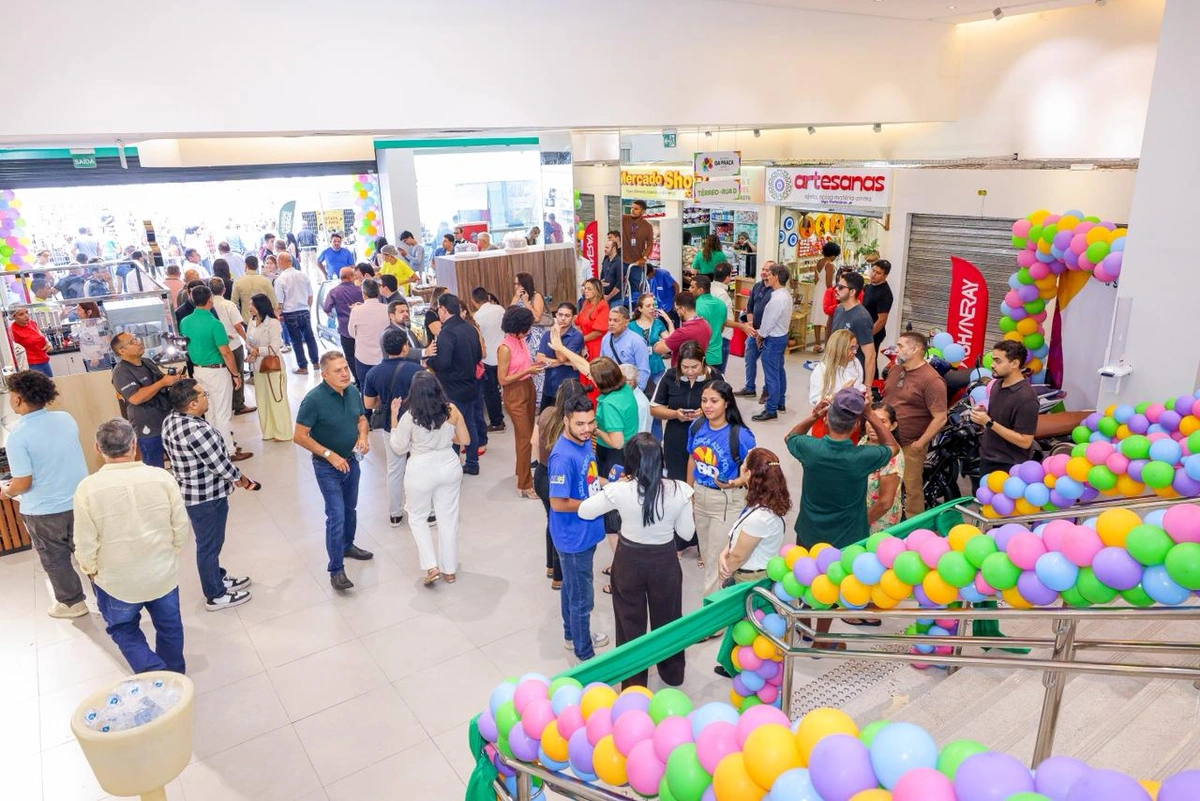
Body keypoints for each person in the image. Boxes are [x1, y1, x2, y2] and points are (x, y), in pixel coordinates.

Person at [74, 419, 189, 673]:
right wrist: (172, 552)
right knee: (170, 627)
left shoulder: (87, 489)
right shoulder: (162, 478)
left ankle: (154, 676)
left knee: (124, 629)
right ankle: (175, 678)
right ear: (134, 444)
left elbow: (84, 540)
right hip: (162, 573)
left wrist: (89, 569)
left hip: (115, 580)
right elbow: (181, 525)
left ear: (97, 448)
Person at [579, 433, 693, 688]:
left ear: (629, 461)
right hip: (664, 561)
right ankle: (672, 673)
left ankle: (634, 683)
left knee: (629, 622)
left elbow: (585, 511)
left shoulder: (620, 490)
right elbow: (686, 533)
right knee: (669, 618)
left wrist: (614, 486)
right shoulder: (679, 490)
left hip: (629, 559)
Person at [161, 379, 256, 611]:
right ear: (192, 404)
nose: (207, 397)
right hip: (207, 497)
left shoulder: (171, 420)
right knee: (209, 546)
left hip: (190, 491)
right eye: (203, 395)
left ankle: (217, 577)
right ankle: (215, 595)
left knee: (209, 543)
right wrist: (243, 479)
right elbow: (221, 466)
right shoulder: (198, 431)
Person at [2, 371, 90, 618]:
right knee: (88, 551)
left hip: (44, 511)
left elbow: (23, 482)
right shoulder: (65, 419)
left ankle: (72, 604)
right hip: (79, 500)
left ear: (17, 399)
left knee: (55, 558)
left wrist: (7, 491)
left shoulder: (17, 437)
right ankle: (109, 597)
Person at [293, 351, 373, 592]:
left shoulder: (352, 392)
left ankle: (347, 545)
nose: (345, 373)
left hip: (352, 461)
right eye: (338, 370)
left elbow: (361, 418)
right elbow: (299, 436)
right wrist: (329, 455)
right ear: (325, 375)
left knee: (350, 508)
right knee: (336, 514)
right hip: (327, 467)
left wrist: (363, 436)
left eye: (346, 368)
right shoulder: (313, 400)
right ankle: (336, 570)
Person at [389, 371, 469, 586]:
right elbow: (465, 439)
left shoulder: (409, 417)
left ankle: (431, 566)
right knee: (448, 518)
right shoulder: (451, 410)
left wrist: (394, 416)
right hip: (449, 466)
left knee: (417, 517)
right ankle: (449, 570)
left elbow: (399, 447)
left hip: (421, 469)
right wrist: (445, 436)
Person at [548, 394, 610, 660]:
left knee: (571, 589)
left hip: (586, 532)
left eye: (591, 422)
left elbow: (589, 478)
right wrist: (594, 502)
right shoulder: (562, 457)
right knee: (582, 598)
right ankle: (585, 654)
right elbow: (558, 503)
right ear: (566, 421)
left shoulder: (583, 443)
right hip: (573, 539)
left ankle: (572, 635)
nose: (587, 429)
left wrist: (610, 483)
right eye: (580, 424)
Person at [687, 381, 756, 596]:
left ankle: (710, 610)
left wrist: (735, 483)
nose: (707, 406)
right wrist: (689, 491)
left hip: (727, 501)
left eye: (714, 401)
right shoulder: (697, 426)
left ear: (727, 403)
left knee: (718, 560)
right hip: (700, 495)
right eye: (704, 400)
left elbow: (754, 472)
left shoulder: (741, 436)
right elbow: (692, 458)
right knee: (707, 554)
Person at [883, 331, 948, 519]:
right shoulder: (895, 369)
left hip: (909, 444)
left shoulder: (932, 380)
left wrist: (919, 445)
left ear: (916, 349)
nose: (896, 349)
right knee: (882, 485)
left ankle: (914, 528)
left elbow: (940, 417)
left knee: (911, 490)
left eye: (901, 346)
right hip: (885, 441)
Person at [181, 284, 249, 459]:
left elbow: (195, 341)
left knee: (209, 411)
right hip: (216, 372)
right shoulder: (214, 323)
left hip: (198, 371)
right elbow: (226, 352)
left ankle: (215, 448)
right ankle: (229, 451)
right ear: (210, 299)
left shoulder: (185, 321)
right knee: (223, 413)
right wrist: (236, 374)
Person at [363, 329, 422, 526]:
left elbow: (368, 404)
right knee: (420, 466)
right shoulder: (416, 370)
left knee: (395, 469)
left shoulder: (373, 373)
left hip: (391, 425)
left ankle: (395, 513)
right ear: (405, 347)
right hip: (417, 424)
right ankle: (427, 511)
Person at [533, 380, 583, 590]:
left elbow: (534, 444)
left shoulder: (546, 413)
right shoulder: (573, 425)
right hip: (561, 480)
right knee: (562, 525)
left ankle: (551, 567)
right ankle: (559, 577)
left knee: (551, 520)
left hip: (542, 474)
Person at [429, 293, 484, 475]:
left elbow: (443, 363)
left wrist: (429, 361)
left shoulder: (446, 332)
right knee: (469, 423)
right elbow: (478, 355)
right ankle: (473, 463)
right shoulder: (469, 328)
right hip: (470, 383)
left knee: (450, 427)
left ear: (443, 310)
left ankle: (452, 465)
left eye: (439, 309)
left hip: (451, 387)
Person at [651, 341, 723, 480]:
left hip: (707, 439)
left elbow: (728, 408)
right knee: (677, 479)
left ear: (703, 361)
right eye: (685, 367)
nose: (690, 372)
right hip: (676, 438)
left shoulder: (716, 377)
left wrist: (705, 413)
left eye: (694, 367)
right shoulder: (670, 376)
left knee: (704, 480)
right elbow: (654, 408)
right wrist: (674, 414)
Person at [717, 447, 789, 585]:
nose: (741, 467)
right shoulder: (769, 502)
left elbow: (738, 557)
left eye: (743, 464)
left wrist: (725, 572)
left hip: (748, 580)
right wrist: (724, 553)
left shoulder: (759, 518)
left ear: (748, 474)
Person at [969, 340, 1040, 479]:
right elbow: (1000, 418)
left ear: (1015, 363)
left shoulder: (1026, 398)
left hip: (1008, 465)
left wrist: (989, 422)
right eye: (993, 360)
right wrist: (984, 414)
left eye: (998, 361)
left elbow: (1025, 441)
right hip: (987, 458)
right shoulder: (997, 384)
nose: (992, 365)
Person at [497, 306, 546, 499]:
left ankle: (521, 471)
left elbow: (521, 367)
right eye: (527, 327)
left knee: (524, 436)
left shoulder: (521, 341)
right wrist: (528, 371)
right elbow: (503, 379)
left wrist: (533, 367)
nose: (529, 330)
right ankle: (525, 485)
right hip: (515, 393)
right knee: (526, 438)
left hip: (528, 387)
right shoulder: (505, 348)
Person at [111, 332, 179, 468]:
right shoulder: (121, 372)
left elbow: (161, 383)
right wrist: (162, 383)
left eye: (137, 339)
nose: (139, 342)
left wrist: (172, 380)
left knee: (178, 462)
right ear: (121, 351)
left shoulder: (147, 362)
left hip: (167, 420)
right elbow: (135, 398)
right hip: (148, 427)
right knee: (153, 467)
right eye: (132, 342)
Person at [745, 263, 792, 421]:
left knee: (771, 376)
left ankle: (771, 409)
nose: (767, 276)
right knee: (779, 371)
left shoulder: (777, 299)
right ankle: (780, 402)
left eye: (770, 274)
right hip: (782, 336)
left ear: (776, 277)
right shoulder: (785, 295)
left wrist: (760, 335)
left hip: (773, 339)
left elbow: (769, 322)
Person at [245, 293, 293, 442]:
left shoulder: (273, 323)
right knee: (262, 400)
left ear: (260, 306)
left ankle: (283, 432)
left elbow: (275, 347)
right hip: (258, 367)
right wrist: (251, 352)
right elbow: (248, 342)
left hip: (273, 367)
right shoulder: (251, 322)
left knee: (276, 399)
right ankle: (268, 431)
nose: (249, 307)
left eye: (252, 304)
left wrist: (257, 351)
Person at [209, 278, 254, 417]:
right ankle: (239, 404)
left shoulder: (209, 305)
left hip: (216, 346)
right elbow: (237, 326)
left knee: (225, 376)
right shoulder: (228, 305)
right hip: (233, 345)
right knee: (237, 373)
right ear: (224, 289)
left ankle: (226, 404)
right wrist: (246, 340)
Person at [274, 252, 321, 374]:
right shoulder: (303, 275)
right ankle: (316, 363)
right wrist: (308, 308)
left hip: (290, 313)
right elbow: (310, 296)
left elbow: (280, 302)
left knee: (296, 341)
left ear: (280, 262)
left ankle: (303, 366)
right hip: (304, 311)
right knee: (310, 338)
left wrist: (278, 315)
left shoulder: (280, 279)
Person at [830, 271, 878, 386]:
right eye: (837, 285)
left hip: (852, 375)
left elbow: (870, 356)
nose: (836, 289)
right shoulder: (839, 309)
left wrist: (867, 387)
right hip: (835, 371)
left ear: (852, 292)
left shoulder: (861, 318)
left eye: (841, 287)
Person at [863, 402, 905, 533]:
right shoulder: (864, 441)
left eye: (882, 422)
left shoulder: (893, 456)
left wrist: (860, 523)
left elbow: (885, 503)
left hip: (877, 522)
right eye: (870, 420)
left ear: (893, 426)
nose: (873, 426)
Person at [470, 287, 507, 431]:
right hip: (503, 354)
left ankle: (497, 422)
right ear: (487, 297)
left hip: (487, 359)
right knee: (506, 386)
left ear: (474, 301)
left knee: (491, 393)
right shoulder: (500, 309)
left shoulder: (477, 317)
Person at [809, 329, 865, 411]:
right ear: (839, 349)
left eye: (856, 347)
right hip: (832, 414)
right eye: (851, 348)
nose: (855, 352)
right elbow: (815, 402)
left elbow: (860, 385)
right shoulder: (822, 369)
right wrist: (840, 393)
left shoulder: (855, 362)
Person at [347, 278, 390, 383]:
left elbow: (352, 333)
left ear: (363, 294)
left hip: (364, 356)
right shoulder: (388, 309)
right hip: (384, 356)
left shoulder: (356, 311)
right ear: (378, 292)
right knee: (385, 387)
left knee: (365, 386)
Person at [512, 272, 548, 396]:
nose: (516, 286)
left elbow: (537, 317)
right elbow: (509, 314)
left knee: (537, 367)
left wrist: (526, 303)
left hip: (535, 337)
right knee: (525, 367)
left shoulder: (536, 296)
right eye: (515, 284)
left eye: (518, 284)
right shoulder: (516, 296)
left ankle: (539, 398)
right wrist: (516, 298)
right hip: (522, 337)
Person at [654, 292, 711, 369]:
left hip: (682, 371)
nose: (677, 313)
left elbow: (658, 349)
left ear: (683, 309)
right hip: (699, 367)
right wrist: (669, 322)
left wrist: (659, 341)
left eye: (677, 309)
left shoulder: (684, 332)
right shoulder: (706, 324)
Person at [322, 267, 363, 374]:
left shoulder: (334, 292)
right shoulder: (360, 290)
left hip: (345, 329)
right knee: (364, 355)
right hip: (362, 328)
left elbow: (326, 308)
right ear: (351, 276)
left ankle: (357, 379)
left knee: (350, 356)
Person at [630, 293, 672, 395]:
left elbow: (671, 342)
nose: (652, 308)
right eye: (648, 306)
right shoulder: (631, 326)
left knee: (657, 395)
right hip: (638, 368)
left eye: (653, 305)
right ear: (640, 308)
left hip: (656, 367)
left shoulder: (658, 323)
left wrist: (669, 321)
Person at [862, 259, 894, 376]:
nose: (873, 274)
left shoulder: (884, 294)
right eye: (873, 271)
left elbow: (881, 320)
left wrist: (868, 335)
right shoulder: (870, 286)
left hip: (874, 333)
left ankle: (872, 384)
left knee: (870, 360)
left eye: (878, 273)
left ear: (885, 276)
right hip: (864, 329)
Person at [383, 296, 435, 364]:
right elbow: (403, 350)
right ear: (392, 316)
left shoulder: (409, 331)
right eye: (401, 312)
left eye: (407, 311)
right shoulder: (389, 333)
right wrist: (425, 352)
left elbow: (419, 347)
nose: (406, 314)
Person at [692, 275, 728, 370]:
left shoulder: (694, 306)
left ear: (700, 290)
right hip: (716, 354)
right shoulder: (721, 304)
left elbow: (693, 333)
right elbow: (722, 328)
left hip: (699, 356)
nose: (689, 289)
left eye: (692, 287)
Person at [810, 242, 840, 353]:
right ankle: (828, 344)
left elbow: (816, 279)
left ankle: (817, 344)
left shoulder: (819, 262)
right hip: (826, 292)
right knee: (827, 319)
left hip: (818, 290)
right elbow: (829, 284)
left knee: (817, 317)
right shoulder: (829, 265)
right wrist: (834, 293)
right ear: (833, 255)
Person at [231, 254, 276, 324]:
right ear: (257, 266)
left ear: (246, 266)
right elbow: (273, 303)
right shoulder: (266, 281)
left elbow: (233, 303)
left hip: (247, 319)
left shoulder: (238, 282)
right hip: (263, 318)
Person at [9, 308, 52, 376]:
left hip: (43, 360)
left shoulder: (32, 323)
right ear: (13, 317)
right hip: (31, 364)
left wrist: (48, 343)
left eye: (26, 312)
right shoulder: (12, 330)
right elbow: (13, 351)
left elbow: (41, 335)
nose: (26, 316)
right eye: (21, 314)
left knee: (49, 381)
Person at [710, 263, 735, 373]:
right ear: (728, 277)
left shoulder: (709, 287)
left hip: (712, 335)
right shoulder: (722, 294)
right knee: (719, 372)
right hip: (721, 337)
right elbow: (721, 320)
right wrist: (742, 326)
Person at [74, 301, 113, 371]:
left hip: (101, 359)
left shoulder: (101, 323)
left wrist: (97, 354)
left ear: (89, 312)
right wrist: (76, 340)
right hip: (87, 359)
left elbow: (108, 343)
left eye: (79, 310)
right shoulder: (83, 323)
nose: (76, 312)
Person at [577, 278, 609, 361]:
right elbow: (578, 323)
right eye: (585, 288)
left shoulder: (602, 305)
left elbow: (599, 332)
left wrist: (580, 339)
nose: (585, 291)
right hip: (583, 343)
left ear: (596, 290)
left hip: (596, 345)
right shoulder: (585, 303)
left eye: (589, 289)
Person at [622, 200, 654, 283]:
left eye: (636, 209)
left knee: (635, 288)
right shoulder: (623, 219)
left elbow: (650, 244)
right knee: (617, 286)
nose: (632, 210)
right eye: (632, 208)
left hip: (636, 264)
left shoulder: (647, 226)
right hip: (621, 261)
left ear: (643, 212)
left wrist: (644, 258)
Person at [621, 363, 653, 434]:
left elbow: (641, 433)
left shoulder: (640, 404)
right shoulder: (626, 397)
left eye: (618, 381)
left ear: (630, 383)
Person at [600, 236, 625, 308]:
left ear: (613, 249)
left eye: (607, 248)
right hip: (604, 298)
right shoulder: (605, 261)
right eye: (605, 247)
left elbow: (620, 284)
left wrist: (609, 297)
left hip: (616, 300)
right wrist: (600, 283)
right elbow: (601, 277)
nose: (605, 249)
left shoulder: (619, 263)